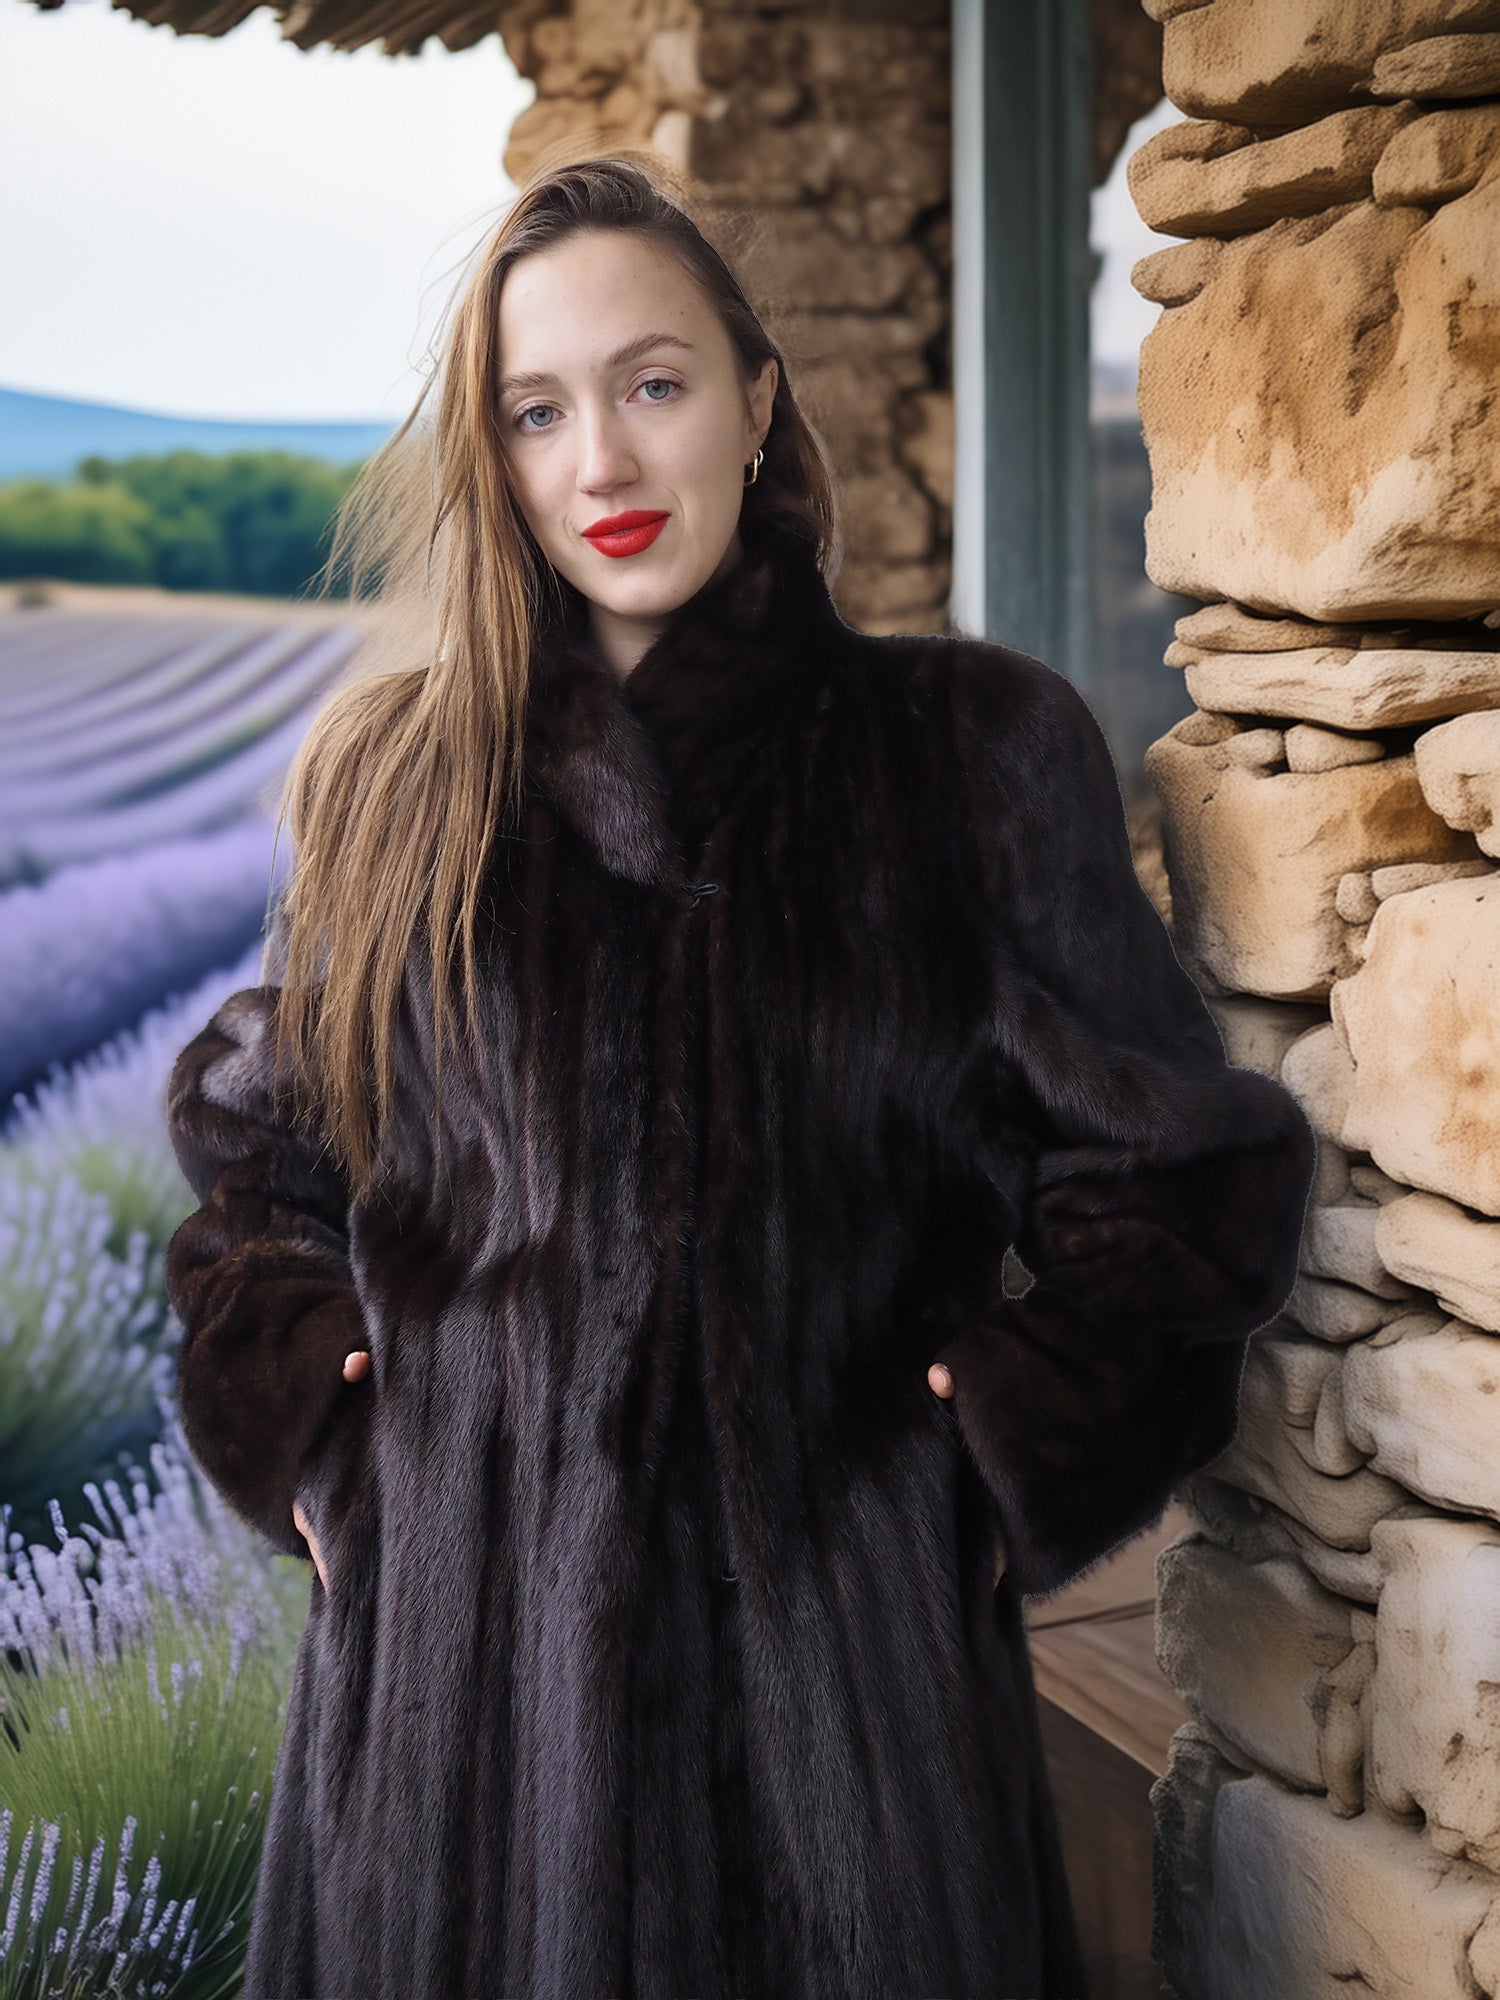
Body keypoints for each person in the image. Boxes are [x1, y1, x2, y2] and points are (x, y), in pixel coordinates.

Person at [161, 148, 1317, 2000]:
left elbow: (1184, 1177)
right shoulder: (399, 781)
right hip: (446, 1762)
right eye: (538, 413)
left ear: (758, 399)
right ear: (497, 456)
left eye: (653, 384)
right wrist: (314, 1418)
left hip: (844, 1770)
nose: (601, 465)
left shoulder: (967, 754)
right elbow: (268, 1164)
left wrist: (987, 1453)